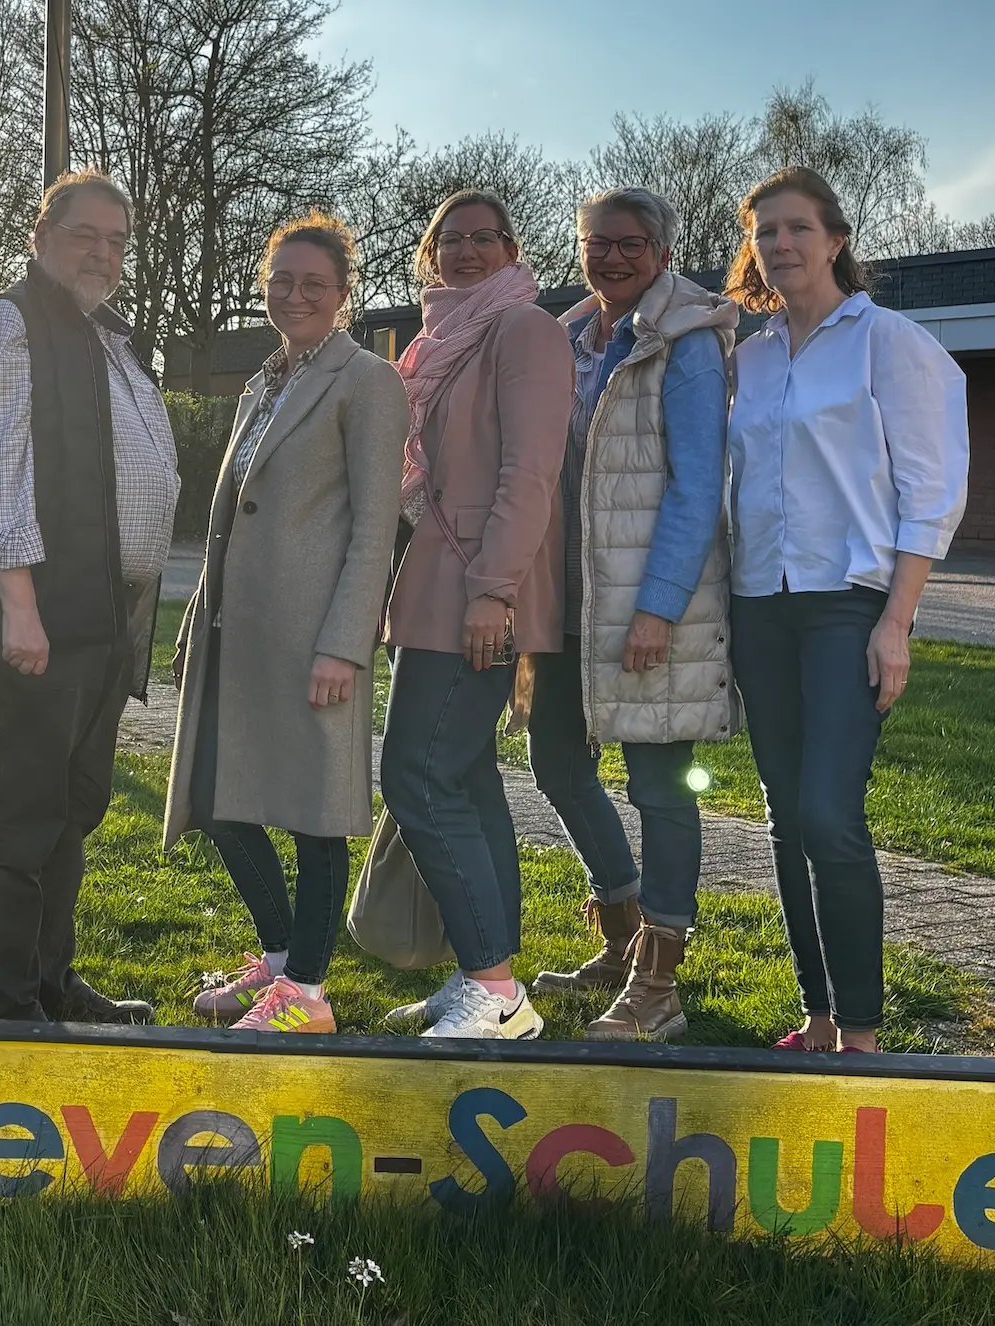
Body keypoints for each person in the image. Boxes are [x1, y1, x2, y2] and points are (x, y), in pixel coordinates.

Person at [724, 166, 967, 1054]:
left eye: (797, 228)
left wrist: (897, 621)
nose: (780, 243)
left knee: (829, 812)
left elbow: (931, 490)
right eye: (765, 231)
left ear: (834, 239)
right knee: (786, 813)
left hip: (849, 606)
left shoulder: (889, 343)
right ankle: (817, 1016)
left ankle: (862, 1035)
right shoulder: (746, 357)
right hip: (760, 606)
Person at [167, 214, 408, 1034]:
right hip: (238, 633)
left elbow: (377, 525)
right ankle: (276, 965)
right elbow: (233, 512)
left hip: (315, 635)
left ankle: (305, 994)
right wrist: (200, 615)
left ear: (344, 295)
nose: (296, 295)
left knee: (316, 809)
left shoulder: (367, 380)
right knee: (220, 798)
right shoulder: (260, 382)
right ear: (263, 284)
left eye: (314, 284)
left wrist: (346, 640)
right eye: (282, 280)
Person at [0, 170, 181, 1022]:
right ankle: (6, 1003)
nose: (105, 253)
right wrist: (18, 606)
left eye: (118, 241)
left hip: (104, 616)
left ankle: (52, 980)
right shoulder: (12, 323)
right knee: (23, 810)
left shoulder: (103, 337)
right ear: (41, 236)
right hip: (44, 612)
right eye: (87, 234)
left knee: (73, 807)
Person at [526, 188, 737, 1042]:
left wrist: (657, 609)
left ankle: (660, 984)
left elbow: (697, 488)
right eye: (597, 242)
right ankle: (618, 934)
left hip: (652, 603)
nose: (612, 257)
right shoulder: (575, 337)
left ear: (662, 248)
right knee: (557, 764)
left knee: (659, 787)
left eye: (631, 243)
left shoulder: (685, 343)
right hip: (571, 602)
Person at [378, 190, 571, 1040]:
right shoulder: (442, 341)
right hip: (438, 583)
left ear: (511, 248)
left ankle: (493, 989)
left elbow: (529, 474)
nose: (463, 252)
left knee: (416, 774)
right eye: (448, 240)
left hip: (480, 591)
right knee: (464, 776)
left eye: (482, 238)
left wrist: (495, 588)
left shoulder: (523, 330)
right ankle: (487, 975)